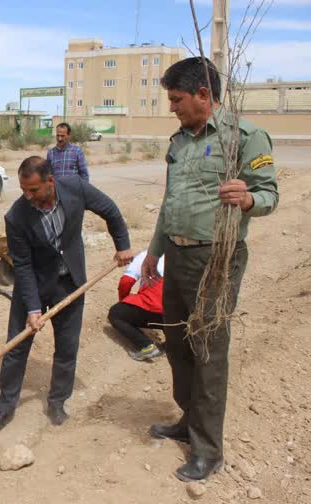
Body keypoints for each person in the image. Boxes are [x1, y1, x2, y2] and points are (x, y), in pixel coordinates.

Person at [141, 57, 278, 482]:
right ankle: (188, 418)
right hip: (177, 257)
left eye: (177, 99)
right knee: (178, 343)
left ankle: (208, 449)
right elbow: (170, 203)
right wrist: (153, 252)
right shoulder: (179, 141)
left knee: (208, 352)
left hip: (216, 259)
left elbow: (269, 193)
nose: (172, 108)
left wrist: (249, 199)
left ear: (204, 94)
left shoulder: (246, 137)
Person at [0, 156, 133, 436]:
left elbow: (110, 210)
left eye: (33, 190)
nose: (28, 197)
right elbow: (23, 266)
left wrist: (122, 245)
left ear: (50, 181)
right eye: (24, 190)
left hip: (71, 283)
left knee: (67, 347)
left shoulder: (76, 188)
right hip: (34, 286)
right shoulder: (16, 216)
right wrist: (32, 308)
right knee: (16, 348)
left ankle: (57, 401)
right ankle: (4, 407)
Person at [107, 251, 165, 361]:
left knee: (116, 313)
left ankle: (146, 346)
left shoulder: (147, 254)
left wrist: (124, 302)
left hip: (155, 302)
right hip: (179, 309)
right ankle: (172, 344)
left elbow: (126, 282)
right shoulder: (183, 254)